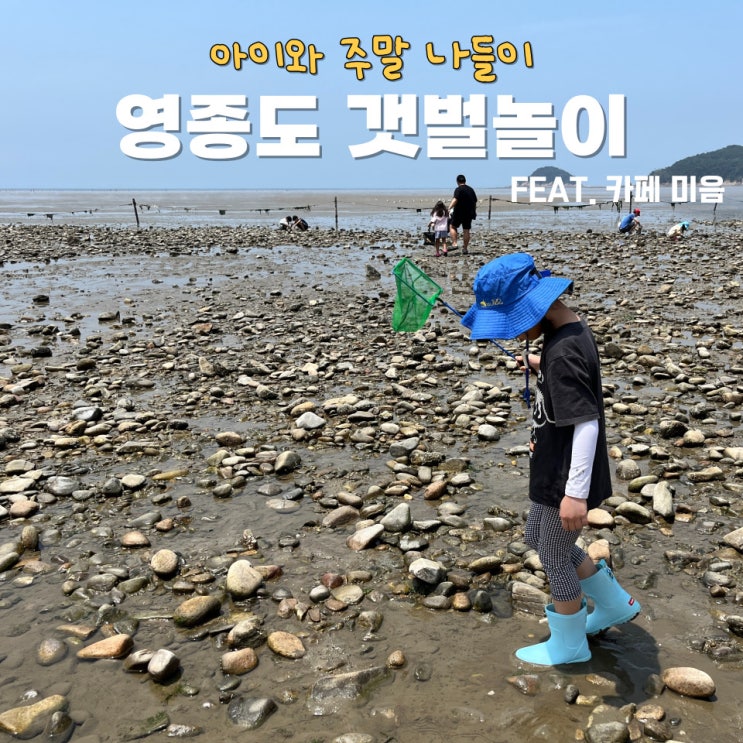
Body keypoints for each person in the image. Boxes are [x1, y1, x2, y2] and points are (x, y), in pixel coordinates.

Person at [461, 252, 641, 666]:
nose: (514, 335)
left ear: (537, 308)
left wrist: (575, 494)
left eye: (514, 323)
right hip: (553, 463)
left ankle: (570, 644)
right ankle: (613, 603)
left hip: (566, 478)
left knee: (554, 556)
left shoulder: (563, 354)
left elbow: (587, 424)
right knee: (536, 537)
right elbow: (571, 379)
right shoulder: (568, 333)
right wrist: (538, 363)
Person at [448, 174, 477, 254]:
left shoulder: (458, 189)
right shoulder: (471, 189)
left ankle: (454, 243)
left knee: (452, 226)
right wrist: (474, 211)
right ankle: (465, 249)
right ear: (465, 181)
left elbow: (455, 199)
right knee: (466, 230)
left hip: (459, 212)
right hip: (469, 213)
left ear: (457, 181)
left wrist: (449, 208)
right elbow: (474, 202)